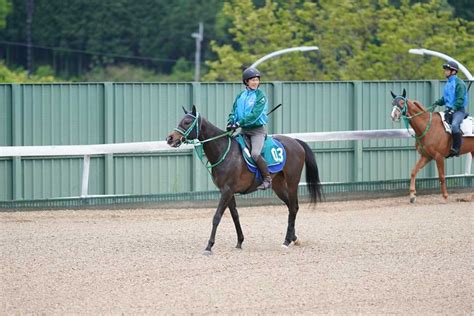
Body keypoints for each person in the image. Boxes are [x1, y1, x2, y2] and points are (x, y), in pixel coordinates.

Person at [226, 67, 272, 190]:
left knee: (255, 154)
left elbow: (255, 115)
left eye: (257, 80)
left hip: (257, 131)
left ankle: (267, 179)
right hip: (243, 131)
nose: (255, 82)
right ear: (246, 82)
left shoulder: (260, 95)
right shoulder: (240, 95)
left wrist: (239, 123)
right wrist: (231, 122)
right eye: (253, 80)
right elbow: (234, 111)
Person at [432, 60, 468, 158]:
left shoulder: (459, 83)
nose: (445, 72)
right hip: (449, 110)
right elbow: (445, 98)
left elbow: (460, 100)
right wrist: (437, 103)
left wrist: (453, 108)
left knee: (455, 126)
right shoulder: (448, 83)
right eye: (445, 70)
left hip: (458, 111)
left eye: (447, 70)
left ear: (453, 71)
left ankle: (456, 149)